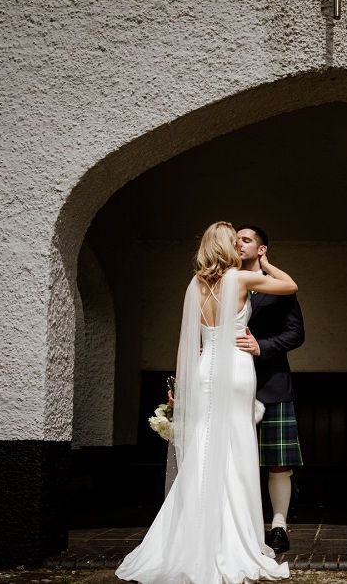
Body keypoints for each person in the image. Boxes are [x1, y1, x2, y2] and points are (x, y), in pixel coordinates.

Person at [115, 221, 295, 584]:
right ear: (228, 247)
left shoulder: (194, 285)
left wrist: (180, 387)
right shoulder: (241, 280)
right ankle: (235, 538)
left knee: (202, 449)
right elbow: (290, 286)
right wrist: (266, 260)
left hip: (203, 371)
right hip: (236, 370)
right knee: (236, 449)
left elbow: (186, 343)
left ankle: (189, 537)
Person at [235, 226, 304, 555]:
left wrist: (260, 346)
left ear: (261, 249)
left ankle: (278, 525)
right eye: (236, 239)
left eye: (246, 239)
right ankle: (239, 525)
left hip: (271, 382)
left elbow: (296, 334)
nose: (239, 243)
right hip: (231, 383)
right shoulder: (226, 281)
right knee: (233, 458)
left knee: (277, 460)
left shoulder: (278, 286)